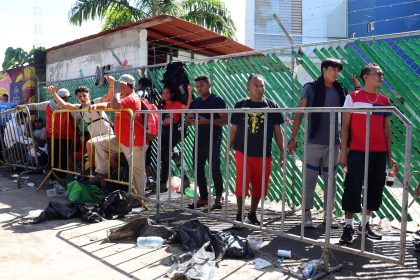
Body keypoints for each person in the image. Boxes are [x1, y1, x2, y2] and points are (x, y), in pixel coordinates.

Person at [288, 58, 356, 229]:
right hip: (313, 142)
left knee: (331, 182)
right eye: (333, 69)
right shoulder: (310, 88)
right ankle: (306, 215)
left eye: (338, 70)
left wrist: (357, 88)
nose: (336, 73)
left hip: (333, 144)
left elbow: (353, 103)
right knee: (309, 181)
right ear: (324, 70)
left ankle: (328, 216)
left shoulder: (339, 90)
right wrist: (293, 138)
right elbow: (299, 112)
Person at [339, 63, 397, 244]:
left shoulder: (384, 100)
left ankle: (364, 225)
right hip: (357, 151)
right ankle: (348, 225)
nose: (380, 76)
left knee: (374, 189)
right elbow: (345, 126)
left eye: (381, 73)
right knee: (352, 187)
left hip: (378, 153)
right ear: (365, 76)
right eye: (377, 73)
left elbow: (387, 130)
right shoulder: (352, 97)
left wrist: (389, 155)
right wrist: (343, 151)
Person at [229, 74, 285, 225]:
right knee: (242, 182)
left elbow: (278, 131)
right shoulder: (240, 105)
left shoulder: (271, 105)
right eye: (256, 86)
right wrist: (228, 149)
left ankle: (252, 213)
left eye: (262, 86)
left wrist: (282, 151)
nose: (260, 89)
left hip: (263, 153)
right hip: (242, 151)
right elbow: (233, 130)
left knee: (260, 186)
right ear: (248, 87)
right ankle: (240, 213)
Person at [89, 74, 147, 197]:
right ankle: (102, 172)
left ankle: (139, 198)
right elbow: (109, 104)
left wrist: (117, 89)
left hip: (134, 142)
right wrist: (96, 106)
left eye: (121, 85)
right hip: (121, 139)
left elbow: (115, 104)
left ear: (125, 85)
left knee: (137, 172)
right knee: (99, 144)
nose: (119, 88)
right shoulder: (123, 98)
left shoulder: (132, 98)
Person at [47, 85, 114, 169]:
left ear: (89, 96)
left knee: (110, 160)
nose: (82, 98)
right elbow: (63, 104)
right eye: (80, 96)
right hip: (96, 139)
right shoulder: (79, 108)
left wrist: (111, 84)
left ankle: (92, 170)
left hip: (106, 136)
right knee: (97, 162)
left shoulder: (95, 102)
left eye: (84, 96)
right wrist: (54, 93)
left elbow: (109, 97)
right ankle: (93, 173)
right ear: (77, 98)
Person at [186, 75, 227, 209]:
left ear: (209, 85)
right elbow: (188, 119)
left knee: (215, 169)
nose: (199, 89)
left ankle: (219, 197)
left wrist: (207, 121)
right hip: (199, 140)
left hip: (213, 139)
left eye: (202, 85)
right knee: (197, 169)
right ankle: (203, 197)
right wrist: (189, 120)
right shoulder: (196, 102)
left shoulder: (217, 100)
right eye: (197, 86)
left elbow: (225, 120)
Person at [23, 88, 77, 177]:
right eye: (64, 98)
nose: (66, 99)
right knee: (61, 156)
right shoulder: (69, 106)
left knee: (54, 156)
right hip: (64, 135)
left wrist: (21, 107)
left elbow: (34, 106)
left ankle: (55, 176)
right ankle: (58, 176)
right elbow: (34, 106)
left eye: (66, 98)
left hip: (54, 135)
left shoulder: (48, 104)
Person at [154, 86, 192, 193]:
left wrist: (189, 92)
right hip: (164, 134)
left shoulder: (177, 104)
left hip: (174, 133)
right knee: (165, 157)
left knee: (165, 157)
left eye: (167, 93)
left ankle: (163, 182)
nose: (165, 95)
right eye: (163, 93)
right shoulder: (162, 106)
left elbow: (188, 108)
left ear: (171, 94)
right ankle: (176, 156)